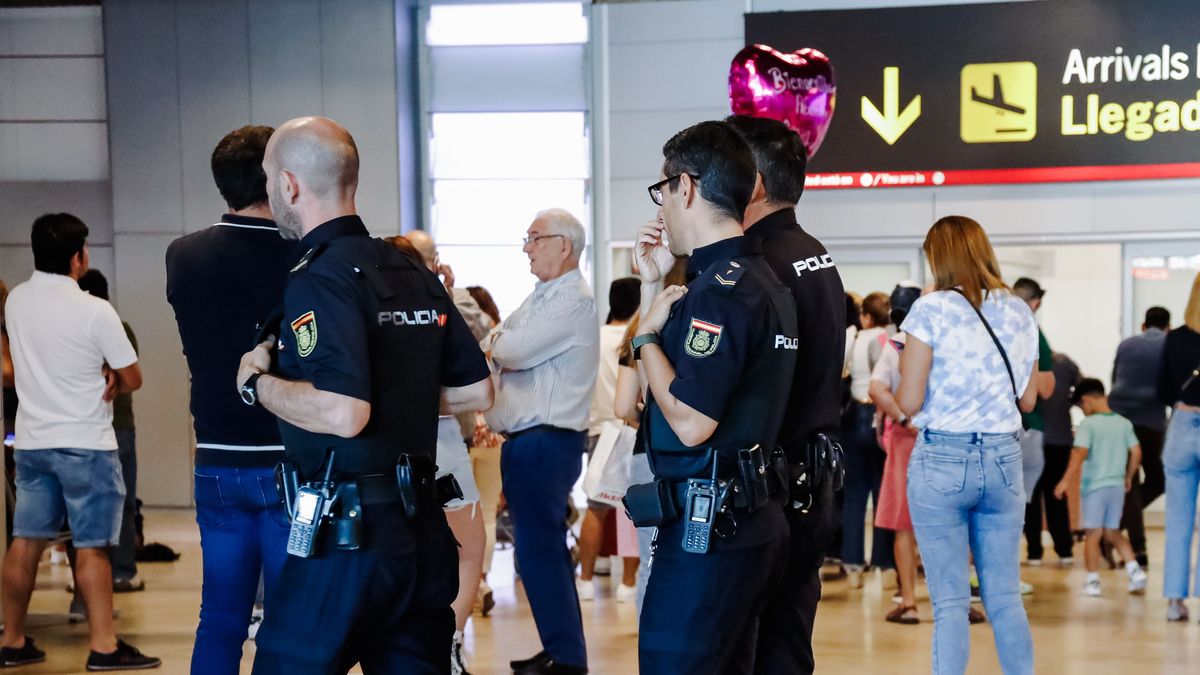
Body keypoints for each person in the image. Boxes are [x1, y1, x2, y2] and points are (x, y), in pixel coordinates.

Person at [237, 116, 493, 673]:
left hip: (347, 535)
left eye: (268, 179)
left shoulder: (318, 276)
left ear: (289, 185)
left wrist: (258, 385)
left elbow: (343, 411)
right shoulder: (408, 268)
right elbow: (477, 388)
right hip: (420, 535)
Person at [630, 120, 796, 674]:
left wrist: (646, 338)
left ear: (687, 187)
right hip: (741, 517)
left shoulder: (721, 293)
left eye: (662, 191)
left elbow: (691, 422)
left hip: (712, 526)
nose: (661, 209)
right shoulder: (753, 279)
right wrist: (653, 289)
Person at [1, 213, 159, 670]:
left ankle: (12, 640)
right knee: (91, 545)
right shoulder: (95, 309)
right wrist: (110, 373)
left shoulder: (16, 303)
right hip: (86, 443)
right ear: (78, 257)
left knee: (25, 541)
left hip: (32, 443)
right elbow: (133, 377)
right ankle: (104, 647)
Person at [165, 125, 296, 674]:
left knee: (219, 615)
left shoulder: (183, 254)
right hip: (290, 459)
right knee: (292, 621)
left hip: (215, 455)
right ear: (277, 177)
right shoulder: (304, 255)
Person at [724, 114, 846, 675]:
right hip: (811, 478)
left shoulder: (759, 265)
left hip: (769, 483)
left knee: (746, 643)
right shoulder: (814, 253)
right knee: (789, 638)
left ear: (751, 182)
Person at [896, 215, 1038, 675]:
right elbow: (1028, 397)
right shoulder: (1018, 309)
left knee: (952, 603)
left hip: (942, 458)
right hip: (1003, 457)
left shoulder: (930, 309)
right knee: (1005, 598)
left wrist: (903, 370)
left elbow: (910, 401)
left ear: (939, 257)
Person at [482, 208, 598, 675]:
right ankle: (560, 650)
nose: (527, 247)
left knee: (542, 553)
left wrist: (501, 345)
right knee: (538, 553)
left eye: (534, 238)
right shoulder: (544, 296)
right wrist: (500, 342)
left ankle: (568, 658)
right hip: (531, 441)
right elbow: (498, 337)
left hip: (545, 442)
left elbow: (507, 348)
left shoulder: (573, 301)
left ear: (564, 245)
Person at [400, 229, 492, 675]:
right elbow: (480, 350)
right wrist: (446, 295)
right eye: (432, 256)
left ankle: (433, 644)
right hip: (439, 439)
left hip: (400, 442)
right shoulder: (432, 306)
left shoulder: (372, 304)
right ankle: (448, 644)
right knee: (469, 544)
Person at [577, 277, 641, 603]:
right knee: (633, 507)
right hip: (631, 428)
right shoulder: (636, 339)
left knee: (596, 507)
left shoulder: (594, 339)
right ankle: (628, 584)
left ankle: (585, 579)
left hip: (599, 430)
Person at [77, 270, 142, 592]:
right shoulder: (115, 325)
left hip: (107, 427)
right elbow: (129, 376)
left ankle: (117, 572)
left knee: (98, 507)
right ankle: (116, 573)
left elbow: (128, 376)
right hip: (112, 427)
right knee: (120, 503)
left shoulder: (111, 326)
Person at [1053, 378, 1147, 597]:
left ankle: (1093, 580)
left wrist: (1065, 480)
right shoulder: (1124, 423)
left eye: (1082, 407)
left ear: (1087, 400)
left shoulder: (1089, 425)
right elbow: (1137, 453)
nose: (1083, 412)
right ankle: (1134, 570)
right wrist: (1128, 476)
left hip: (1095, 487)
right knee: (1112, 531)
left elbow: (1080, 453)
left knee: (1093, 533)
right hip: (1116, 485)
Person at [869, 282, 922, 623]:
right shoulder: (943, 344)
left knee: (904, 524)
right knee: (952, 523)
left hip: (905, 439)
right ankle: (960, 601)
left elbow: (876, 388)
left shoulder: (897, 345)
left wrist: (902, 416)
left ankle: (910, 602)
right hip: (943, 438)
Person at [840, 291, 895, 587]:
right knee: (881, 490)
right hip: (880, 417)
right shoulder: (890, 340)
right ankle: (884, 562)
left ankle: (851, 562)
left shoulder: (855, 338)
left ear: (866, 316)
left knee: (854, 495)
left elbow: (842, 372)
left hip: (853, 417)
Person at [1110, 306, 1171, 567]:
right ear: (1168, 326)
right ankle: (1133, 546)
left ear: (1143, 325)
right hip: (1152, 423)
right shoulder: (1170, 344)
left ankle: (1120, 537)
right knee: (1158, 480)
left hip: (1121, 420)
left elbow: (1115, 379)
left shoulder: (1126, 344)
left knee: (1130, 484)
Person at [1157, 273, 1200, 623]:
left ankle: (1174, 601)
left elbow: (1163, 390)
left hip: (1182, 427)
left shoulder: (1176, 338)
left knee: (1178, 520)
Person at [1013, 277, 1056, 558]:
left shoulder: (994, 324)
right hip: (1026, 427)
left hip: (990, 427)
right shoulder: (1032, 332)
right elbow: (1044, 389)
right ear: (1036, 302)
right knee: (1018, 502)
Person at [1026, 351, 1081, 566]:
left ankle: (1034, 552)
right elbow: (1084, 387)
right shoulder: (1065, 363)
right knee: (1056, 494)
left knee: (1030, 495)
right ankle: (1064, 549)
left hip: (1031, 436)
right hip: (1060, 438)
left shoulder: (1026, 360)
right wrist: (1065, 403)